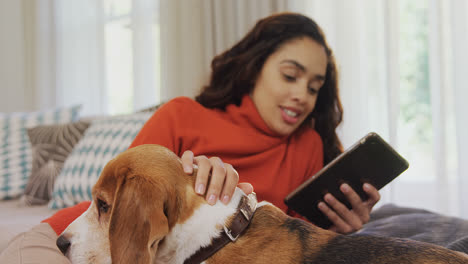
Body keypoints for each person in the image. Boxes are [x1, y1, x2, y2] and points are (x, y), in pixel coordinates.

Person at [0, 12, 380, 263]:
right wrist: (182, 176)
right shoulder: (183, 114)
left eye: (315, 87)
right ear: (254, 68)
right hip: (73, 238)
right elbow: (118, 202)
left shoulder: (308, 146)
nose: (302, 95)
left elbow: (292, 239)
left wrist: (341, 227)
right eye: (290, 76)